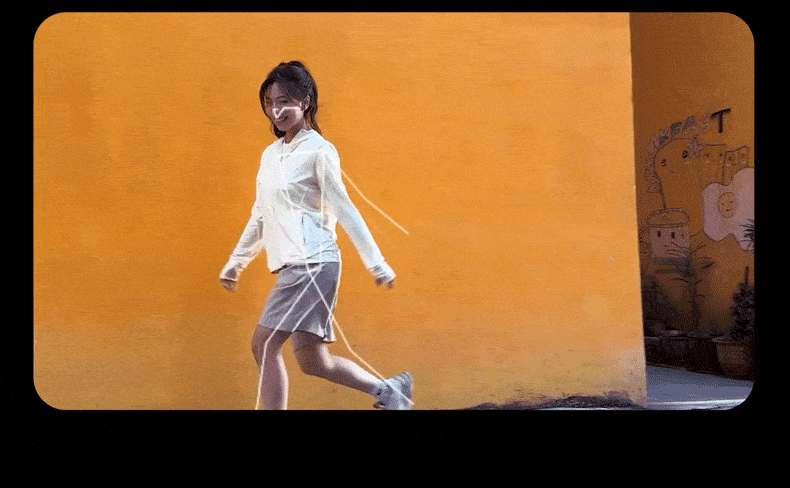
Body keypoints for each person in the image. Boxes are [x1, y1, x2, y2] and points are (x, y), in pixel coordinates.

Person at [219, 61, 413, 410]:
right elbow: (260, 214)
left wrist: (377, 264)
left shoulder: (319, 150)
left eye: (285, 101)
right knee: (312, 361)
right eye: (269, 102)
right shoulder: (270, 155)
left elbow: (345, 210)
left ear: (305, 101)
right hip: (294, 265)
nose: (276, 111)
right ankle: (390, 392)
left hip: (312, 263)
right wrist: (237, 260)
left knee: (263, 344)